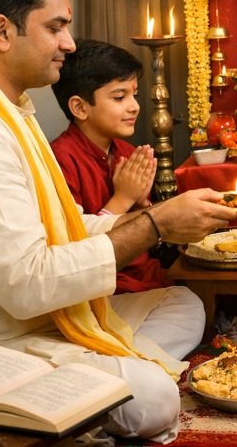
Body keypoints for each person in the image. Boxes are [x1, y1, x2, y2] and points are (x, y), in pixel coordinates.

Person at [0, 0, 237, 443]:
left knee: (184, 303)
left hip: (38, 318)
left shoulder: (7, 112)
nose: (68, 44)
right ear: (3, 32)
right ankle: (94, 387)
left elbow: (70, 225)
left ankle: (99, 375)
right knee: (157, 398)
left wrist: (160, 214)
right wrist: (155, 228)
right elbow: (28, 282)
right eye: (55, 28)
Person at [51, 39, 176, 295]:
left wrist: (142, 204)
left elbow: (147, 242)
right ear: (80, 107)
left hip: (145, 277)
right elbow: (70, 249)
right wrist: (123, 198)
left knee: (190, 301)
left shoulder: (127, 153)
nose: (135, 106)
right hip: (103, 288)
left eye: (135, 94)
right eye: (120, 97)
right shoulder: (60, 159)